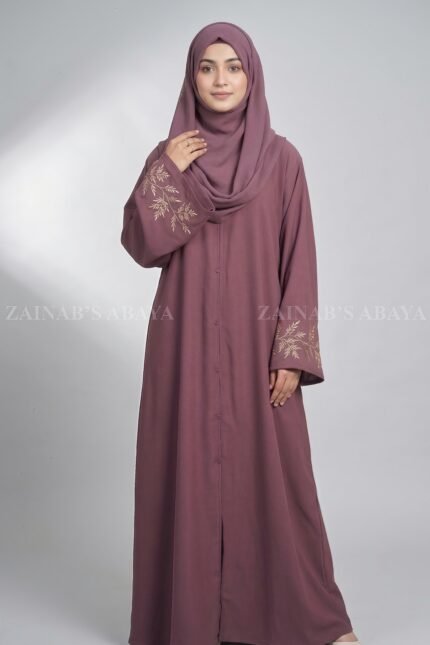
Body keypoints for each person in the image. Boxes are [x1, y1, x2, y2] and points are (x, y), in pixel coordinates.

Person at [121, 21, 361, 645]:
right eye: (207, 67)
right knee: (186, 473)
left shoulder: (282, 161)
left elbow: (298, 258)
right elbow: (142, 245)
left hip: (260, 348)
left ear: (252, 77)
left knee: (281, 480)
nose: (220, 79)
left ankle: (311, 620)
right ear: (191, 78)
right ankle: (190, 619)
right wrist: (166, 172)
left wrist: (292, 352)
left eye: (233, 67)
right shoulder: (171, 155)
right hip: (184, 345)